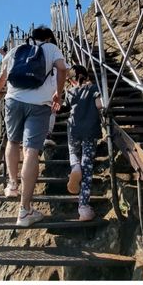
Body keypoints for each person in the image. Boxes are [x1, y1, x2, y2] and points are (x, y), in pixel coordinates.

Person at [0, 26, 67, 227]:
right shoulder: (51, 48)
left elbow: (2, 77)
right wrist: (58, 93)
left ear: (31, 37)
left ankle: (12, 184)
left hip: (13, 100)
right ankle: (24, 211)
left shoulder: (17, 49)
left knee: (12, 141)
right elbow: (63, 69)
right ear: (49, 37)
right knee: (31, 151)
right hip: (40, 105)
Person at [63, 64, 104, 221]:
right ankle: (84, 208)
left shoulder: (70, 91)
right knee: (88, 167)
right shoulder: (93, 88)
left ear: (71, 80)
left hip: (74, 130)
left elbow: (65, 107)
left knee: (73, 152)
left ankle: (75, 166)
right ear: (86, 77)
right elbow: (99, 104)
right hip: (91, 131)